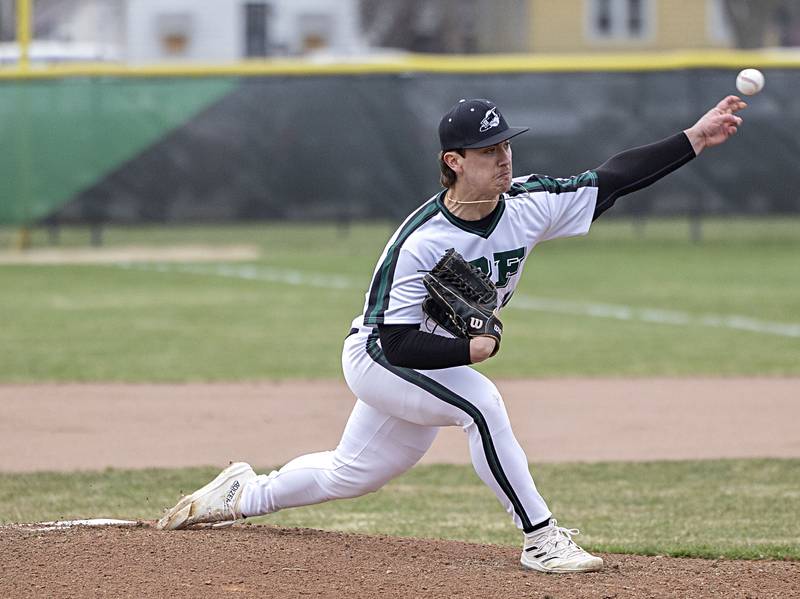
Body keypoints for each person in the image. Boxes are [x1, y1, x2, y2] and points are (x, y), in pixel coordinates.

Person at [157, 95, 745, 573]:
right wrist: (469, 349)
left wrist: (693, 137)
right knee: (482, 406)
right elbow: (394, 342)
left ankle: (242, 494)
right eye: (488, 150)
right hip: (380, 356)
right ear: (454, 161)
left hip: (421, 362)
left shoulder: (528, 204)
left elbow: (614, 178)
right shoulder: (421, 241)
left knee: (354, 472)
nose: (504, 158)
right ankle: (540, 538)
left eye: (506, 144)